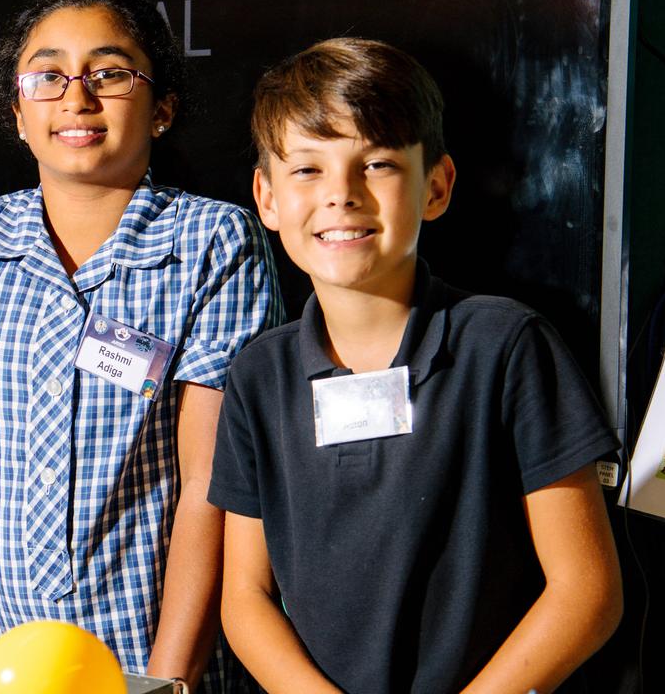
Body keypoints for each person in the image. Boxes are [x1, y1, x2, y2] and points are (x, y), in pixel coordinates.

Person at [0, 0, 279, 690]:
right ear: (18, 114)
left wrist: (169, 678)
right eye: (48, 75)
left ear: (163, 110)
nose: (77, 97)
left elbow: (210, 482)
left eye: (110, 73)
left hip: (146, 659)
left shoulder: (214, 241)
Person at [209, 37, 623, 693]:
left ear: (437, 185)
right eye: (308, 170)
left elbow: (587, 593)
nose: (341, 194)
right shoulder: (258, 378)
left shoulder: (506, 347)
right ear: (267, 197)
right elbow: (245, 598)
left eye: (375, 164)